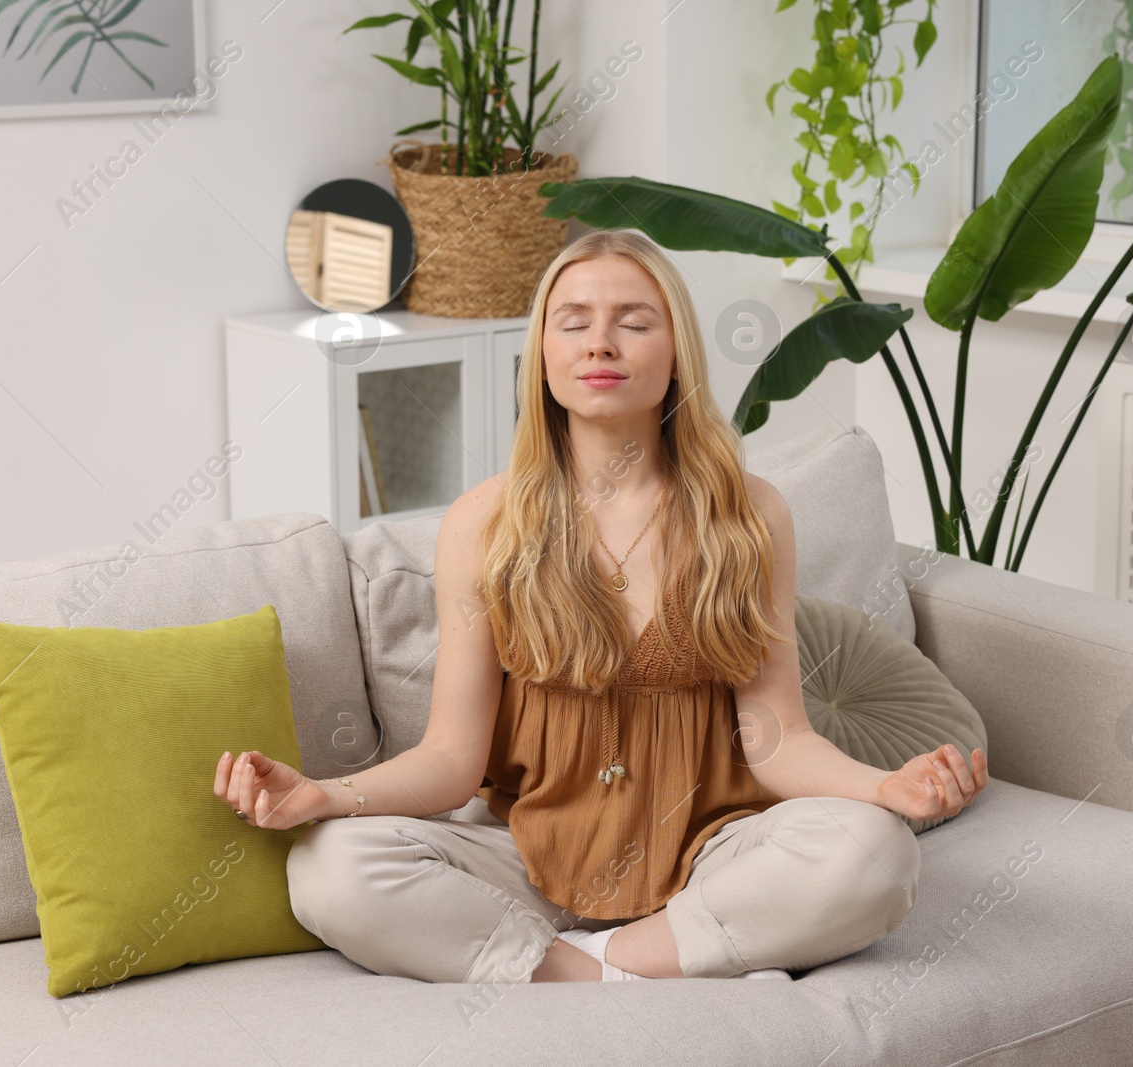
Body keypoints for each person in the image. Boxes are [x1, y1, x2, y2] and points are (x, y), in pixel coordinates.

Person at [213, 228, 988, 984]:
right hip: (527, 856)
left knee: (876, 850)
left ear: (677, 349)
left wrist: (881, 787)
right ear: (542, 354)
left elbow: (776, 739)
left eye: (634, 321)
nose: (600, 343)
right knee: (328, 865)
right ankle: (636, 966)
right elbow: (452, 761)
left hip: (712, 853)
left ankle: (599, 966)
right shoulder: (482, 525)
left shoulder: (752, 516)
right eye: (573, 321)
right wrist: (325, 796)